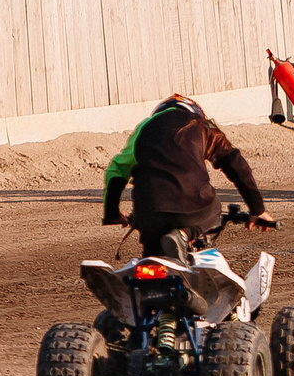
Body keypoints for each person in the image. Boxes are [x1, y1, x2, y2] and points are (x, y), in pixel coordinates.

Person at [99, 94, 276, 258]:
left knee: (151, 259)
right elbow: (235, 163)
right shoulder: (201, 125)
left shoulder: (145, 128)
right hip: (194, 207)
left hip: (149, 211)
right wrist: (257, 209)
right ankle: (184, 235)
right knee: (215, 207)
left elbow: (117, 170)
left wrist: (112, 213)